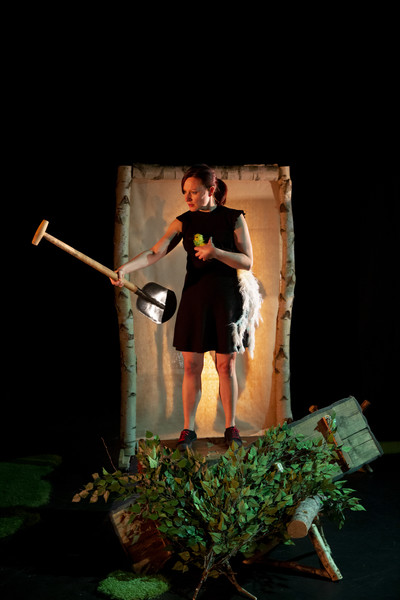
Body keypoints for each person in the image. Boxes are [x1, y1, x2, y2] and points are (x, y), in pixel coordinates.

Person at [111, 164, 254, 451]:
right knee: (191, 366)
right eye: (185, 192)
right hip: (195, 300)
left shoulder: (233, 218)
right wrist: (124, 269)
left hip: (226, 301)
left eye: (194, 192)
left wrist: (216, 253)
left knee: (225, 366)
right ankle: (188, 430)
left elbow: (247, 261)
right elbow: (155, 252)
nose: (188, 197)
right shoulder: (184, 222)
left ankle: (231, 427)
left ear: (211, 190)